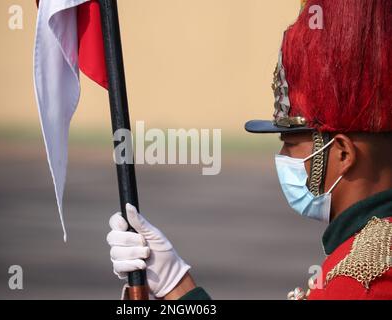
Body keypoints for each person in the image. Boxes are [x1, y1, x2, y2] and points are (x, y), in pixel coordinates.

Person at [106, 0, 392, 300]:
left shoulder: (359, 282)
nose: (283, 159)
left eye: (291, 144)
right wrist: (175, 285)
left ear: (343, 153)